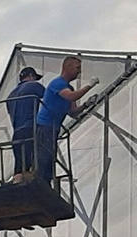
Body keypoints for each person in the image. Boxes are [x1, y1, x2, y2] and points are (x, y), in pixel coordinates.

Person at [34, 55, 98, 185]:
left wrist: (86, 105)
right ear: (67, 67)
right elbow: (70, 97)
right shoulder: (57, 83)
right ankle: (40, 184)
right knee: (45, 158)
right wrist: (89, 85)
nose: (79, 71)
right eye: (77, 68)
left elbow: (72, 112)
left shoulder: (68, 87)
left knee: (50, 158)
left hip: (53, 128)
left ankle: (45, 184)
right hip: (44, 126)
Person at [6, 66, 45, 183]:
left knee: (20, 164)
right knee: (35, 161)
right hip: (30, 129)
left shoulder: (10, 96)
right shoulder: (33, 86)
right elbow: (50, 97)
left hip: (17, 133)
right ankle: (34, 184)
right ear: (31, 76)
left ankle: (17, 184)